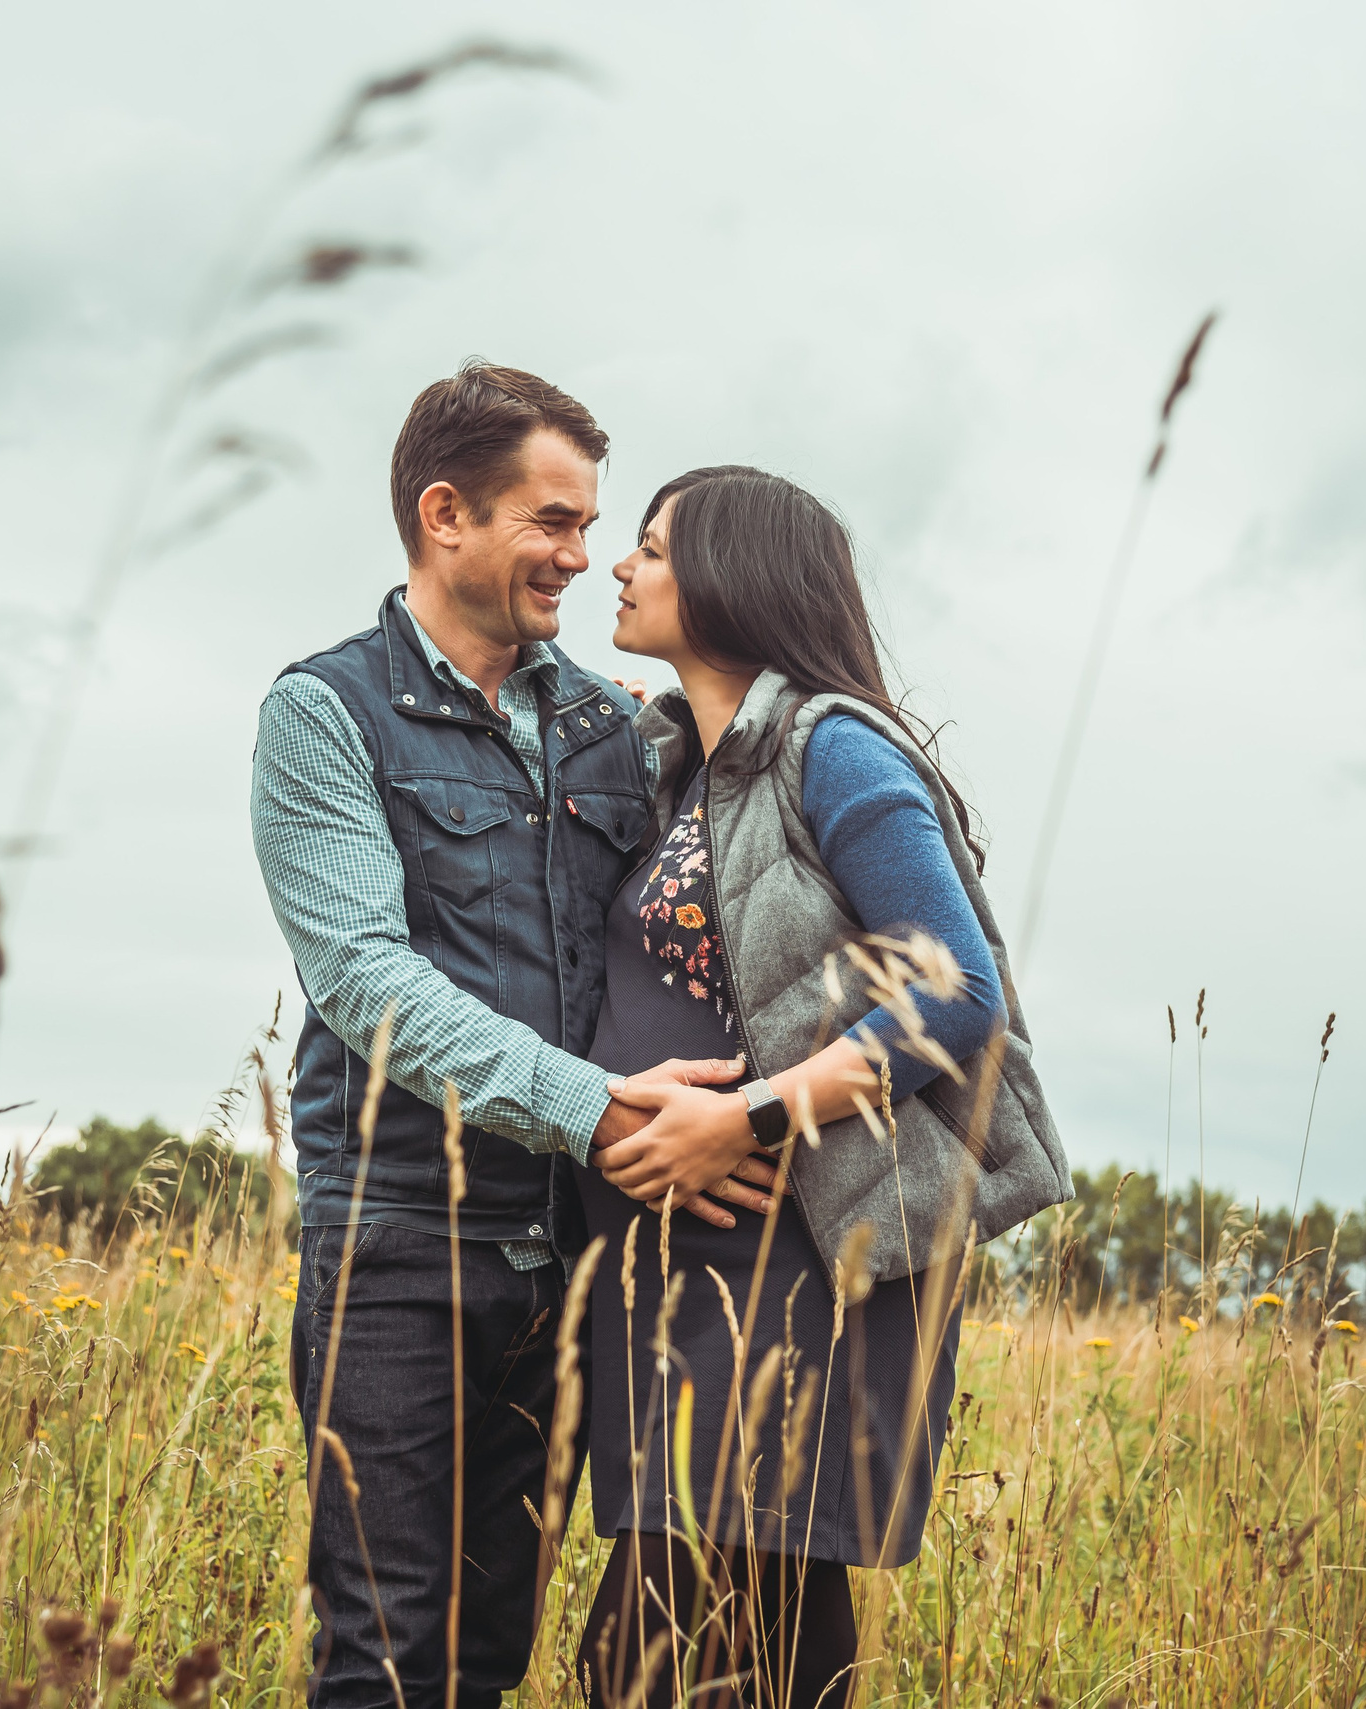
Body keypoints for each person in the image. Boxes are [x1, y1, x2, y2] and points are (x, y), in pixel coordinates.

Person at [251, 366, 781, 1709]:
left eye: (591, 523)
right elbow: (366, 982)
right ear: (445, 514)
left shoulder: (619, 731)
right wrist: (599, 1108)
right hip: (396, 1256)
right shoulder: (323, 715)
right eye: (552, 520)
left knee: (489, 1661)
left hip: (571, 1265)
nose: (581, 555)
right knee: (384, 1656)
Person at [568, 466, 1072, 1707]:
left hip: (804, 1255)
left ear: (733, 578)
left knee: (691, 1644)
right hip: (685, 1266)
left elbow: (958, 992)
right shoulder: (687, 764)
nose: (619, 570)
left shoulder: (830, 745)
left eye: (650, 549)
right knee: (712, 1637)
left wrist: (740, 1116)